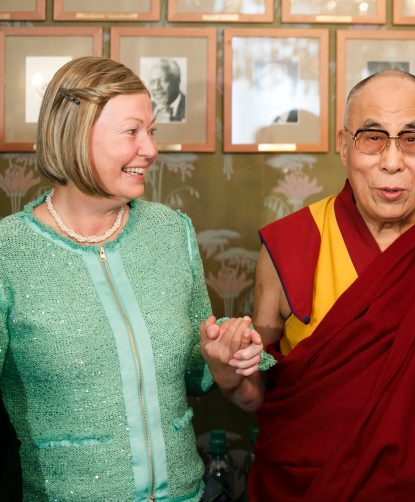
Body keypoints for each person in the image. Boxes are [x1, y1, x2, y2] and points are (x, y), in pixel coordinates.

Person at [201, 70, 415, 500]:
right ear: (344, 145)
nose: (392, 161)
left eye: (412, 139)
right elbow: (259, 395)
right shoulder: (292, 246)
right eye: (373, 138)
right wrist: (229, 374)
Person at [0, 56, 251, 500]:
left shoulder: (170, 231)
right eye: (132, 131)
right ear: (75, 134)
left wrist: (219, 359)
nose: (150, 149)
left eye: (152, 131)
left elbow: (195, 371)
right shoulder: (9, 252)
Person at [148, 58, 186, 123]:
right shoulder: (145, 108)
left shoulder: (190, 106)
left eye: (163, 81)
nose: (156, 87)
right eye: (152, 82)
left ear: (177, 81)